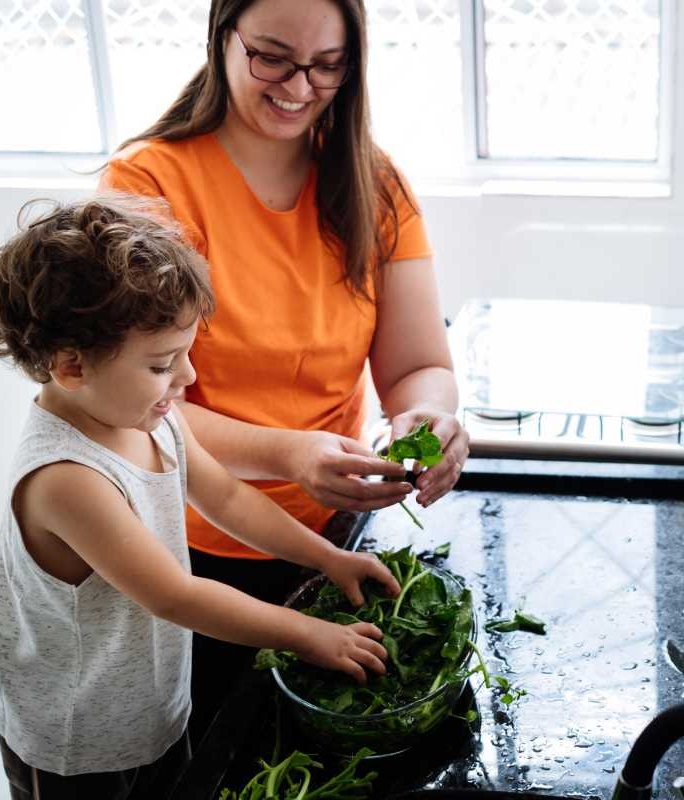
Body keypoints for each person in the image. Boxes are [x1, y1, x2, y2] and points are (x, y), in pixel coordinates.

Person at [100, 0, 469, 736]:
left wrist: (428, 415)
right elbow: (136, 405)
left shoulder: (375, 183)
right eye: (272, 56)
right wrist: (286, 453)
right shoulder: (150, 185)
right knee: (228, 752)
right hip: (198, 554)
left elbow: (419, 363)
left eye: (328, 66)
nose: (300, 86)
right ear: (223, 36)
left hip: (335, 538)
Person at [0, 195, 401, 800]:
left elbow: (227, 500)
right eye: (162, 364)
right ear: (72, 367)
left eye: (186, 354)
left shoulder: (151, 415)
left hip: (152, 709)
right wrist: (308, 632)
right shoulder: (68, 478)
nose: (188, 379)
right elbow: (176, 596)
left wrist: (326, 558)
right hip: (80, 745)